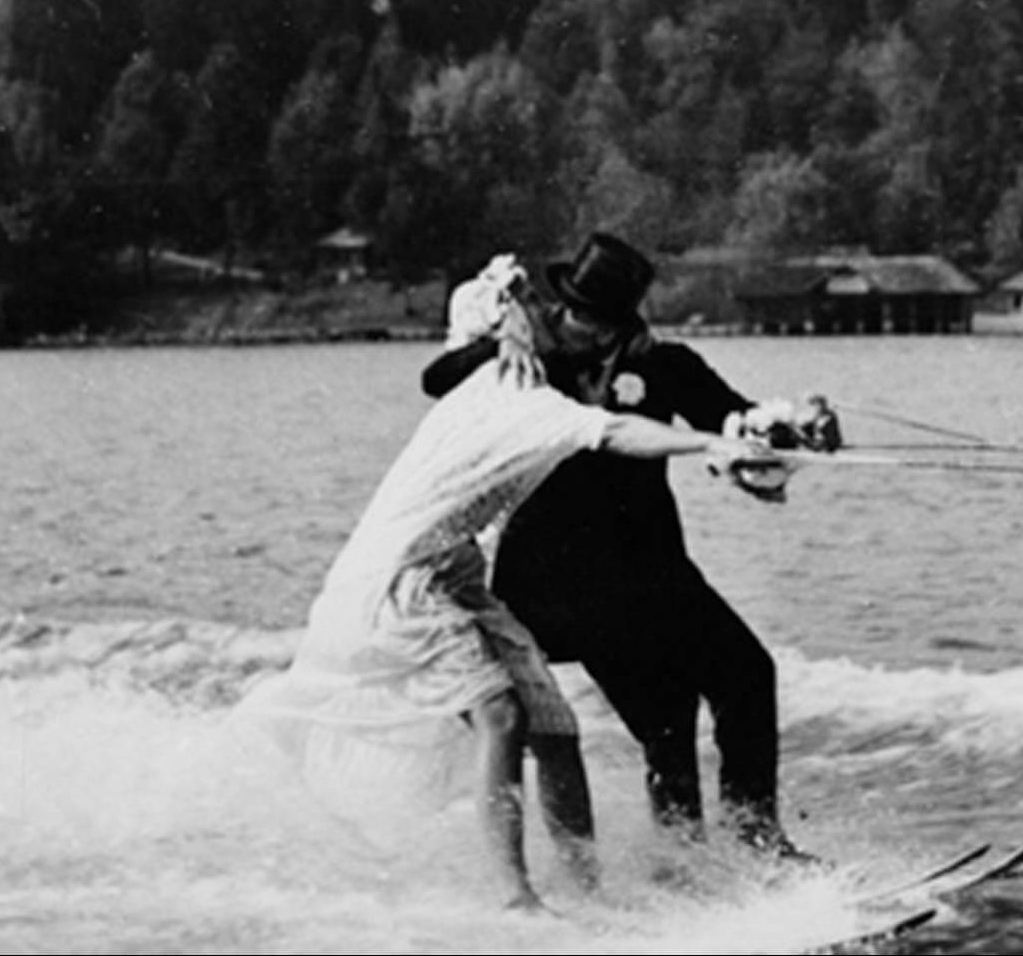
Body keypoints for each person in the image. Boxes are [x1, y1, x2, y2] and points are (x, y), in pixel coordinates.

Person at [232, 269, 774, 911]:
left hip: (464, 570)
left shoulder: (567, 372)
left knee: (558, 734)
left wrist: (759, 438)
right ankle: (516, 899)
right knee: (504, 716)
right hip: (414, 577)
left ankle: (592, 895)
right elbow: (615, 431)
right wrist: (710, 441)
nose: (587, 332)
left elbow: (503, 290)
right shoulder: (519, 392)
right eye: (571, 317)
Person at [422, 232, 839, 860]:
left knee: (748, 674)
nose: (580, 326)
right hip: (558, 582)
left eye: (597, 319)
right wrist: (502, 336)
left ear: (622, 321)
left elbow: (738, 426)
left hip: (654, 569)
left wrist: (799, 432)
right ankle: (686, 863)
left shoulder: (664, 365)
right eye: (571, 313)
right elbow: (436, 380)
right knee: (668, 712)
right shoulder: (528, 362)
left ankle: (755, 840)